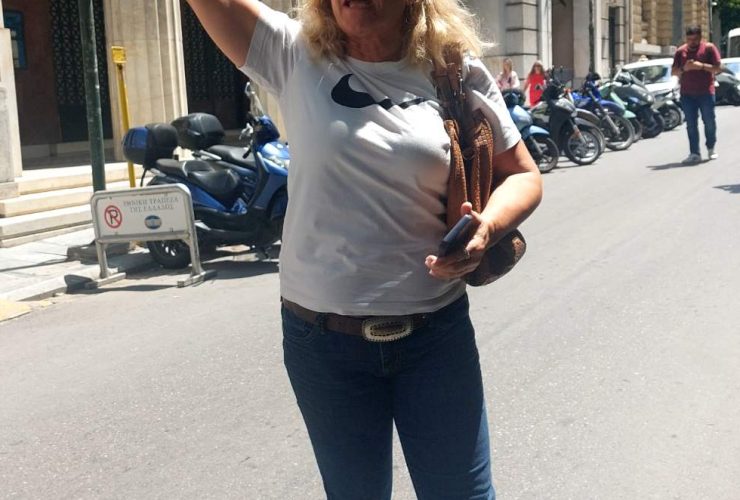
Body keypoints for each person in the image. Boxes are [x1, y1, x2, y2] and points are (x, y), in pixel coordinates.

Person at [185, 0, 542, 498]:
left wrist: (488, 227)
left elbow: (522, 175)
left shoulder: (452, 70)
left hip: (435, 337)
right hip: (323, 343)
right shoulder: (293, 53)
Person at [671, 25, 722, 165]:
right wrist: (684, 68)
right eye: (689, 39)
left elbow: (718, 68)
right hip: (687, 94)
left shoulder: (709, 48)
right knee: (691, 125)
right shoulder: (681, 51)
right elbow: (674, 71)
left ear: (700, 37)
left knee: (709, 121)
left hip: (706, 92)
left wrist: (701, 66)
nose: (692, 42)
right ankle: (694, 153)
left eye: (695, 39)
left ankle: (711, 147)